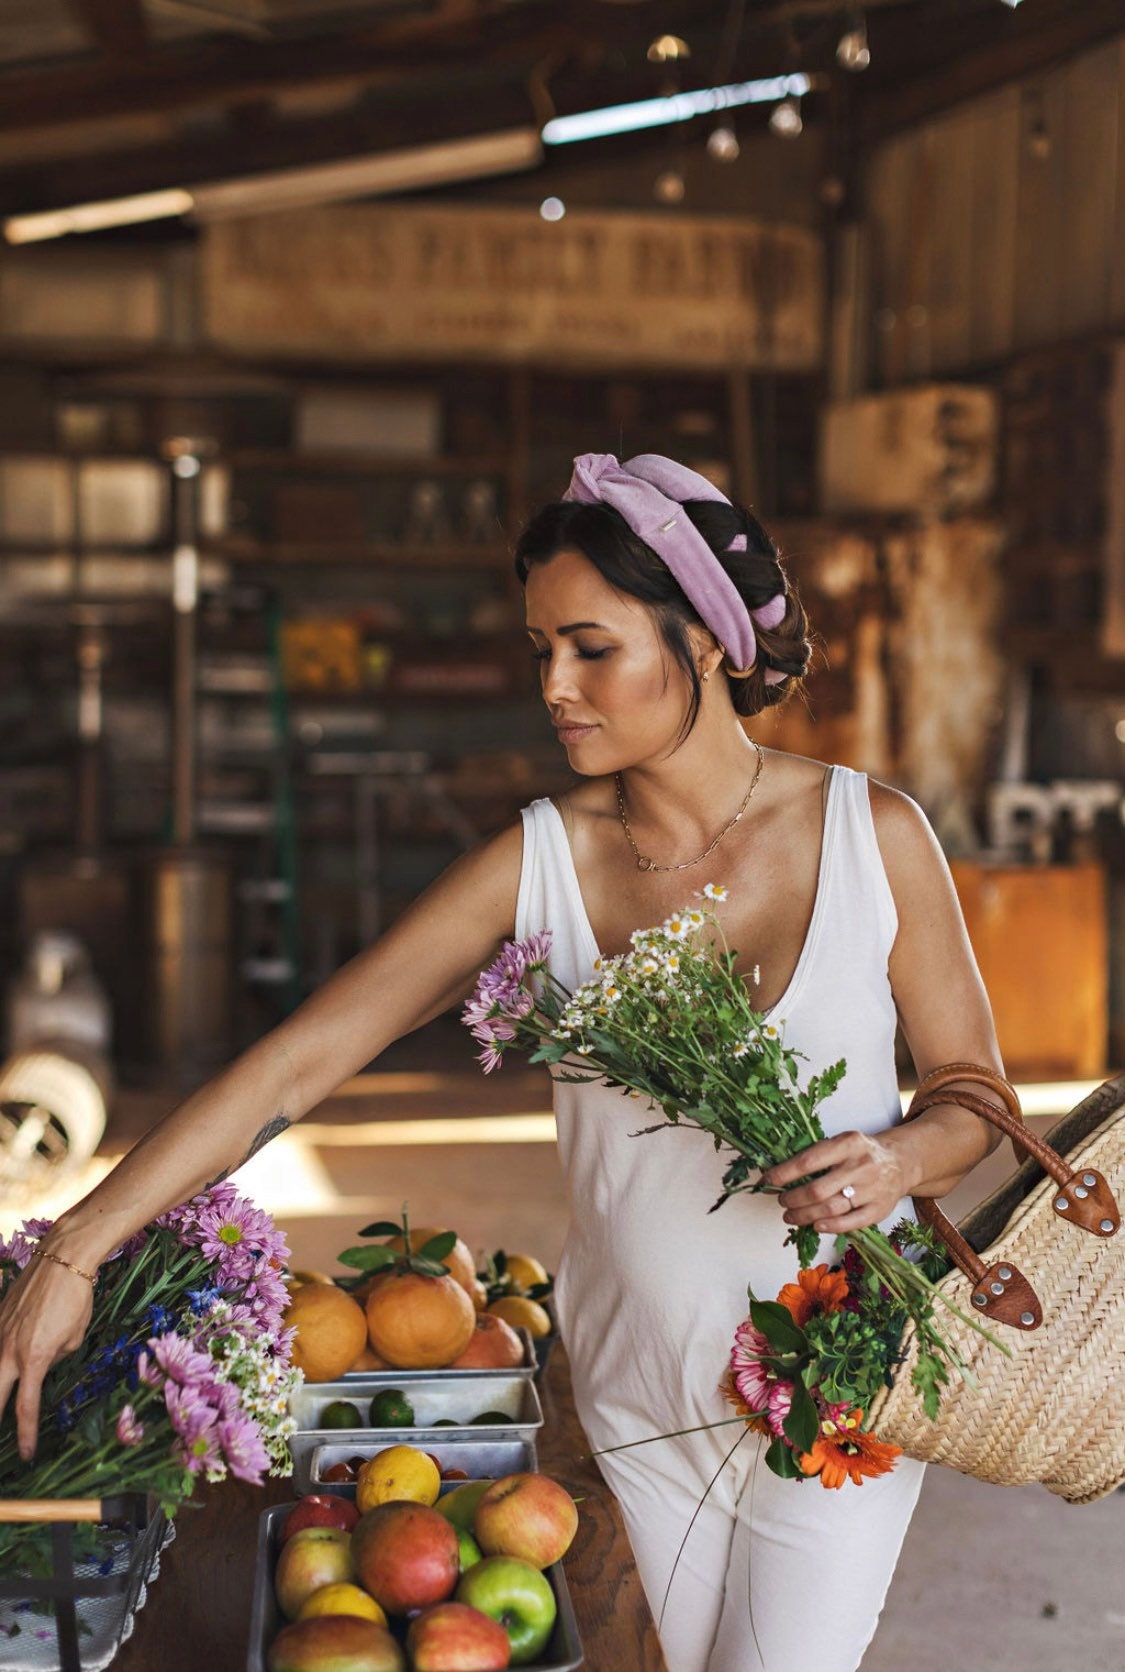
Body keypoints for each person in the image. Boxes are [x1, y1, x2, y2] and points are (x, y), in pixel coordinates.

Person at [0, 453, 1006, 1672]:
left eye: (592, 648)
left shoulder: (872, 834)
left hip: (837, 1373)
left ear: (702, 643)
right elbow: (291, 1067)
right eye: (542, 652)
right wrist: (76, 1247)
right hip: (638, 1401)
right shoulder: (541, 862)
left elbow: (977, 1099)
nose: (556, 688)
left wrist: (900, 1157)